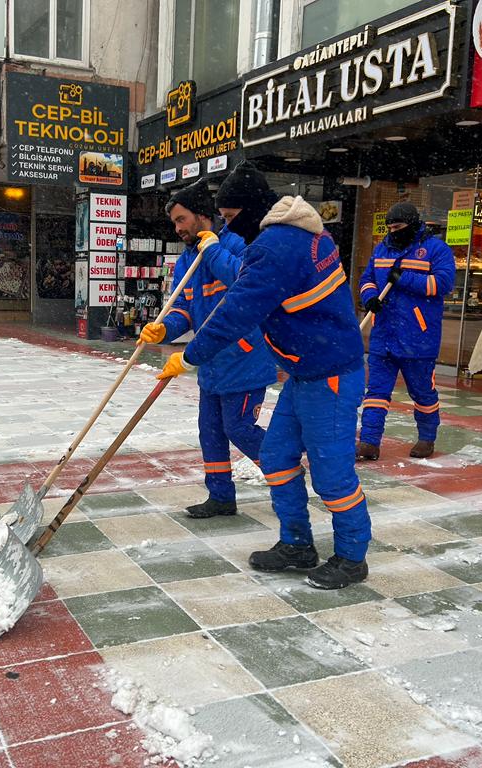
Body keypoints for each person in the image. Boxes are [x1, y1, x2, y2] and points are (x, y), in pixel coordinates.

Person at [156, 161, 372, 590]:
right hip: (304, 370)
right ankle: (296, 544)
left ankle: (352, 556)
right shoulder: (288, 235)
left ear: (251, 208)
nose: (230, 225)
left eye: (231, 216)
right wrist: (171, 329)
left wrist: (190, 356)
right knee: (275, 456)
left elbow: (236, 310)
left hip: (330, 373)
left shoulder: (277, 247)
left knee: (331, 472)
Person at [139, 179, 276, 518]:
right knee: (211, 432)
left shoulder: (238, 243)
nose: (177, 228)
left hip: (244, 359)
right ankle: (221, 496)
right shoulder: (187, 260)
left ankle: (285, 473)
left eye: (181, 219)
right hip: (210, 361)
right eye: (174, 222)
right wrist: (164, 329)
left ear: (202, 215)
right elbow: (184, 309)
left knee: (239, 428)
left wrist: (212, 250)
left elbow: (243, 281)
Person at [356, 202, 456, 461]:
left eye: (398, 227)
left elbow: (443, 284)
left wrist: (405, 279)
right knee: (376, 393)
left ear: (412, 224)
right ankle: (369, 442)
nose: (393, 232)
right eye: (390, 228)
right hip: (384, 335)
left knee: (422, 393)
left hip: (419, 337)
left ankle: (427, 438)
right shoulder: (382, 249)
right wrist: (370, 297)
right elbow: (367, 278)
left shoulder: (436, 249)